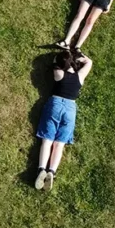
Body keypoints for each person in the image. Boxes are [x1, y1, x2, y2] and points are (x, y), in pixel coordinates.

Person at [34, 49, 93, 192]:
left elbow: (55, 63)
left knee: (47, 141)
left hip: (55, 104)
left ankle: (42, 169)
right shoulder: (80, 76)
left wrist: (59, 59)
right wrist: (78, 59)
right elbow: (89, 62)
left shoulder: (59, 74)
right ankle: (52, 172)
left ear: (60, 64)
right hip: (70, 108)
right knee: (59, 144)